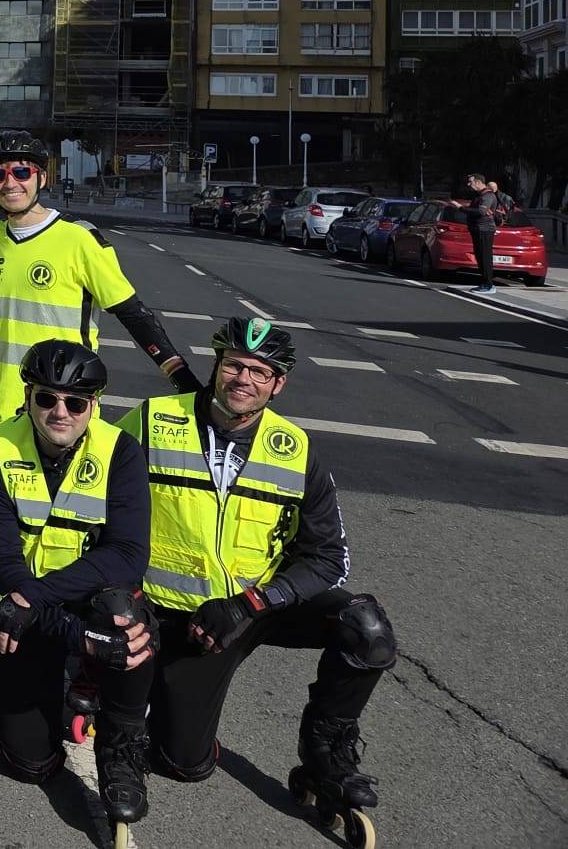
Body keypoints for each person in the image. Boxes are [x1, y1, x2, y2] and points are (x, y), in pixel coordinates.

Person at [119, 318, 395, 840]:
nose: (244, 379)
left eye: (260, 372)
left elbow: (329, 557)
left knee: (366, 627)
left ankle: (325, 753)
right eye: (235, 365)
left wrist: (250, 604)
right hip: (177, 614)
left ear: (278, 384)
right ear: (216, 366)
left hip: (253, 608)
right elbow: (106, 516)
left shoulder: (295, 449)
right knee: (183, 762)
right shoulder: (150, 421)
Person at [0, 341, 155, 833]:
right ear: (28, 397)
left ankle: (120, 747)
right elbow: (1, 559)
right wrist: (68, 632)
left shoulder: (121, 452)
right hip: (19, 600)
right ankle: (45, 667)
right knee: (31, 762)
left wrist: (36, 602)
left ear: (94, 406)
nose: (60, 412)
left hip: (51, 603)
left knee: (128, 617)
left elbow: (128, 555)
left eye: (76, 402)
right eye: (47, 399)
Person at [0, 130, 198, 442]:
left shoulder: (79, 238)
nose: (10, 184)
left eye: (21, 172)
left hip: (59, 406)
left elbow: (132, 314)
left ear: (42, 178)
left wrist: (180, 376)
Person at [462, 171, 509, 295]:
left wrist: (460, 208)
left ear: (478, 182)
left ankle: (489, 285)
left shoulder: (487, 196)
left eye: (470, 182)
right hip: (478, 229)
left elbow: (481, 212)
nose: (468, 184)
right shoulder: (480, 195)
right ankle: (484, 283)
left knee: (485, 257)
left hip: (485, 230)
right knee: (480, 257)